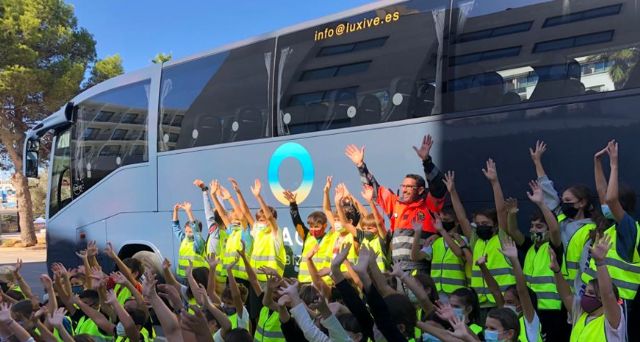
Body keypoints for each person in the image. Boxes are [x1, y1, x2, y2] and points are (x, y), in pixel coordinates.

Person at [345, 135, 446, 275]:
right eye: (402, 186)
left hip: (422, 270)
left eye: (409, 187)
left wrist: (426, 161)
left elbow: (439, 187)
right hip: (397, 270)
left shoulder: (429, 204)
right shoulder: (395, 203)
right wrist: (361, 166)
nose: (404, 190)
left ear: (421, 190)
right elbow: (374, 189)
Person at [444, 163, 515, 315]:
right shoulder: (476, 241)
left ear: (495, 226)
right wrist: (452, 192)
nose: (481, 226)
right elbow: (462, 218)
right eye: (479, 224)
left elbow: (501, 211)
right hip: (479, 304)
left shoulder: (502, 238)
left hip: (501, 302)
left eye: (486, 224)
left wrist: (494, 182)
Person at [551, 233, 626, 341]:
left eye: (591, 293)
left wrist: (600, 262)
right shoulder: (580, 314)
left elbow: (608, 294)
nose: (585, 296)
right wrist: (557, 271)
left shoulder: (613, 321)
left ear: (602, 299)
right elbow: (566, 295)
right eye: (585, 292)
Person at [282, 188, 332, 285]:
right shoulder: (307, 235)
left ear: (325, 226)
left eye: (317, 227)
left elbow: (329, 213)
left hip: (324, 283)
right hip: (305, 283)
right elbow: (297, 222)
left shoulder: (331, 237)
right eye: (311, 226)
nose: (313, 229)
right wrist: (293, 204)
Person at [172, 201, 207, 279]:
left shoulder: (198, 243)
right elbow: (175, 227)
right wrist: (175, 211)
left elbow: (196, 230)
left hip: (196, 278)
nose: (187, 234)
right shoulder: (184, 239)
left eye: (190, 232)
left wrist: (189, 212)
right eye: (186, 231)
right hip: (184, 277)